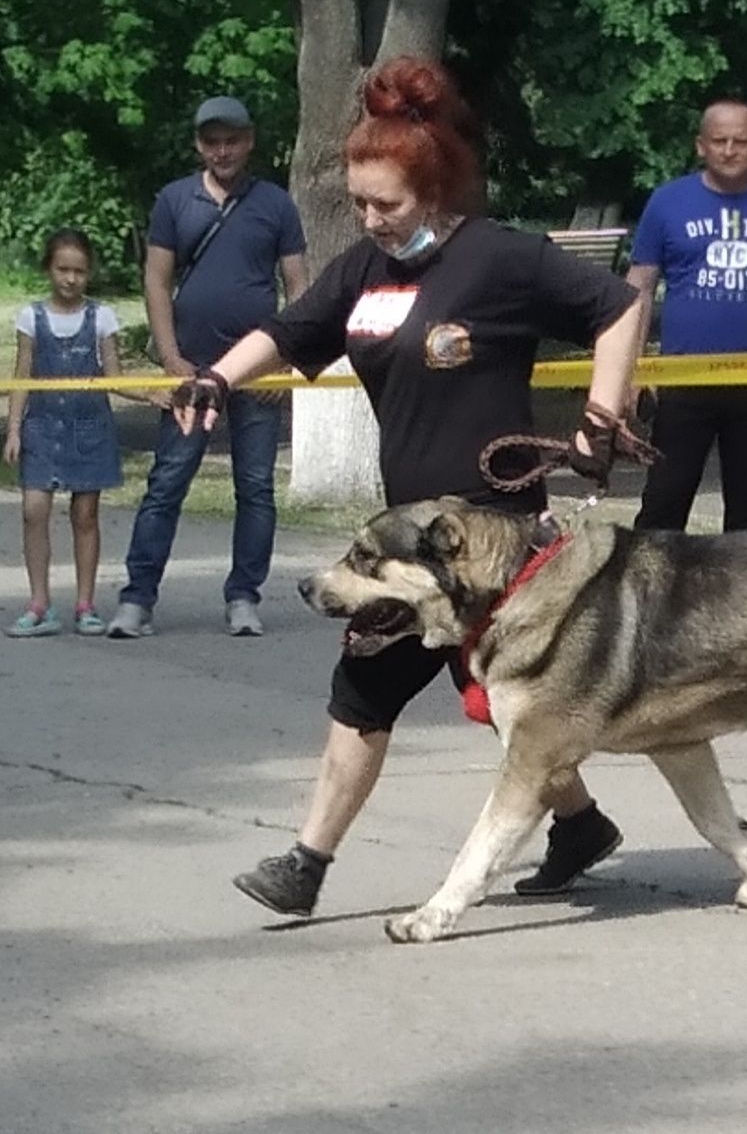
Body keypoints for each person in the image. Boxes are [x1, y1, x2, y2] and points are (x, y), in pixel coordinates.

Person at [171, 57, 645, 916]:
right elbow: (287, 330)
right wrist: (216, 379)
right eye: (358, 202)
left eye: (385, 203)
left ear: (431, 189)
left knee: (472, 697)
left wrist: (600, 415)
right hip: (406, 542)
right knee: (427, 693)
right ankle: (568, 826)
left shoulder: (501, 258)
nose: (370, 218)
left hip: (495, 542)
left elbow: (616, 305)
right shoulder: (361, 271)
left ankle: (310, 863)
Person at [106, 95, 307, 640]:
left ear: (249, 142)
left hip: (256, 373)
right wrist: (171, 359)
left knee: (256, 487)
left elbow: (298, 288)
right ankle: (137, 599)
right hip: (189, 369)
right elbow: (156, 281)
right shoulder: (175, 200)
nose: (223, 150)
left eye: (233, 140)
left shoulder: (276, 205)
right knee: (167, 482)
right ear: (199, 144)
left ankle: (244, 596)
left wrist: (285, 361)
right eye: (212, 141)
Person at [626, 97, 747, 533]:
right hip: (681, 380)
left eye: (740, 141)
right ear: (701, 146)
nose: (730, 150)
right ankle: (650, 598)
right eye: (719, 141)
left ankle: (745, 602)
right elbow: (638, 284)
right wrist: (632, 368)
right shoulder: (667, 202)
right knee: (663, 504)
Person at [3, 229, 125, 637]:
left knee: (85, 516)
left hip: (90, 429)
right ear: (48, 269)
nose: (71, 279)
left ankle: (85, 604)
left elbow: (115, 377)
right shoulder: (31, 317)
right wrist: (14, 430)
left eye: (79, 271)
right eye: (63, 270)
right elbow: (23, 376)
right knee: (33, 511)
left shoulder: (102, 318)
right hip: (41, 428)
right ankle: (39, 603)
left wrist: (151, 393)